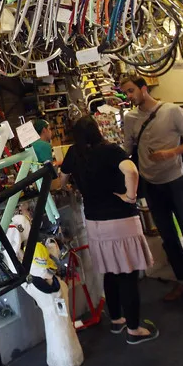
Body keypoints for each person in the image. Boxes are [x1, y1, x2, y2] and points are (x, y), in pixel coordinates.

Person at [56, 116, 158, 344]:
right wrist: (130, 197)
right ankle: (134, 330)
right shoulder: (110, 151)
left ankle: (117, 320)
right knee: (128, 275)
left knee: (110, 272)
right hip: (120, 220)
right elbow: (131, 171)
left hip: (95, 224)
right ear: (97, 131)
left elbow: (60, 183)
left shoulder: (73, 154)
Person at [119, 74, 183, 307]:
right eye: (126, 93)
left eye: (131, 91)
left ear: (143, 88)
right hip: (151, 184)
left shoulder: (171, 111)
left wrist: (172, 152)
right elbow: (127, 148)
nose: (128, 96)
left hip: (175, 180)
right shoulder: (129, 118)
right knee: (168, 237)